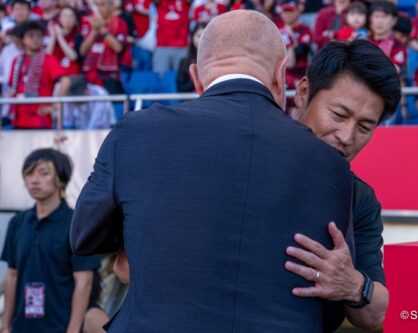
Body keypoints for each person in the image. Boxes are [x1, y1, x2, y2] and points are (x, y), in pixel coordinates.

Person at [70, 10, 353, 332]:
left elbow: (84, 236)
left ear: (196, 76)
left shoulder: (136, 131)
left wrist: (144, 241)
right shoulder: (331, 162)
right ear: (281, 73)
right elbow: (332, 304)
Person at [286, 39, 400, 332]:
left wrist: (353, 285)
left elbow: (374, 314)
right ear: (302, 93)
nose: (347, 136)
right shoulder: (249, 155)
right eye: (338, 115)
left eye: (365, 127)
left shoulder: (360, 198)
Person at [0, 148, 101, 333]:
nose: (34, 180)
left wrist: (72, 330)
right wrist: (6, 325)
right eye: (28, 174)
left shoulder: (75, 223)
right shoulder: (17, 223)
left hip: (60, 324)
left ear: (61, 180)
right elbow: (11, 277)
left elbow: (84, 281)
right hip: (22, 325)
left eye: (43, 173)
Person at [8, 21, 66, 129]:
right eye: (31, 35)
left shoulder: (49, 59)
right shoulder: (16, 61)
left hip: (40, 121)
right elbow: (12, 87)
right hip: (18, 120)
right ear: (22, 39)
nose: (35, 39)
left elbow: (65, 82)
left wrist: (53, 107)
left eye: (39, 36)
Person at [80, 0, 128, 94]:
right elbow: (82, 51)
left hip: (109, 76)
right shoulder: (90, 24)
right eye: (97, 5)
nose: (98, 8)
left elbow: (118, 48)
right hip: (89, 76)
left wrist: (102, 30)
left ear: (111, 7)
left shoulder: (119, 23)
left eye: (102, 5)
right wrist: (94, 32)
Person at [45, 6, 83, 76]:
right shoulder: (52, 36)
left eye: (71, 16)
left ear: (75, 21)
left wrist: (60, 37)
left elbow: (73, 57)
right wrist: (53, 36)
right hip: (54, 74)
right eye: (65, 15)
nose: (67, 19)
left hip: (72, 76)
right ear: (60, 19)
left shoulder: (79, 37)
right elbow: (47, 55)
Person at [176, 22, 207, 92]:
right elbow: (180, 89)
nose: (202, 39)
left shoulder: (216, 61)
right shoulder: (184, 62)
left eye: (205, 36)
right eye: (199, 36)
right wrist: (196, 80)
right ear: (192, 38)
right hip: (190, 100)